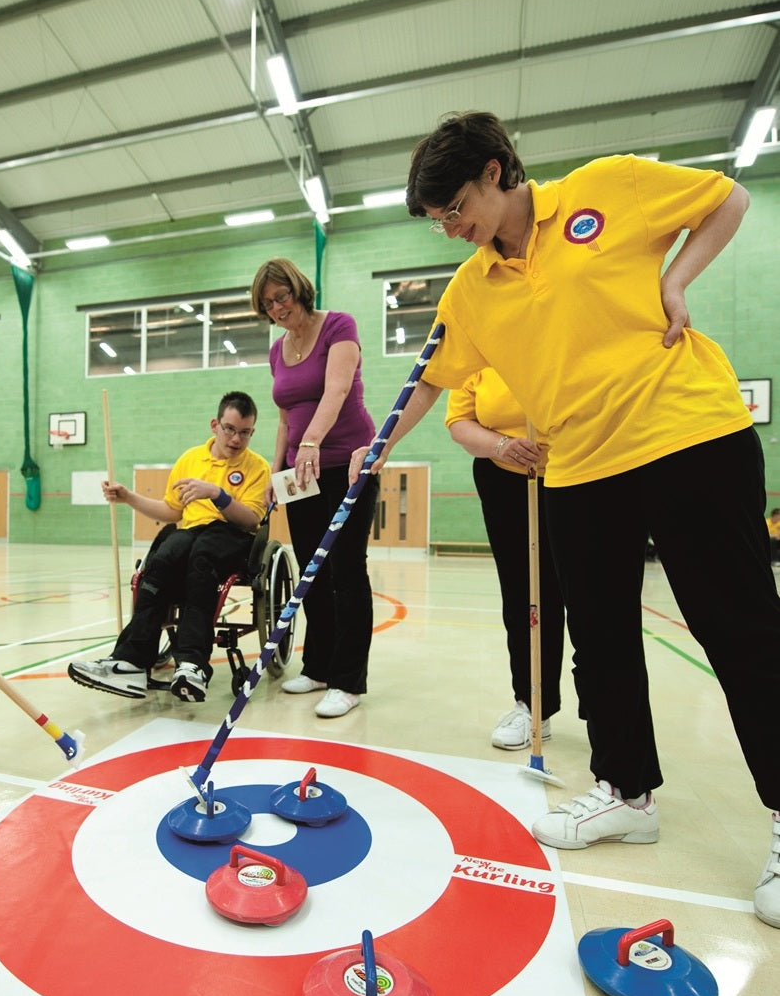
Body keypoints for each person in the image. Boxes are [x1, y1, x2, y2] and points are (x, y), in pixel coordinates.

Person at [353, 110, 780, 928]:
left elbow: (724, 199)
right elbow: (430, 381)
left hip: (686, 432)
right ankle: (625, 790)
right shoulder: (470, 287)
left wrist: (675, 278)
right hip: (578, 467)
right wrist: (372, 446)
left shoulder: (606, 186)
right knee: (601, 637)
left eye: (454, 209)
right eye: (438, 221)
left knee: (739, 629)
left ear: (493, 170)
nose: (451, 230)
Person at [69, 391, 269, 702]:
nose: (236, 439)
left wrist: (217, 493)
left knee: (201, 561)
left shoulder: (257, 467)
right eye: (229, 429)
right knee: (161, 562)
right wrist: (129, 498)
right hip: (190, 531)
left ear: (252, 432)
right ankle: (131, 663)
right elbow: (171, 512)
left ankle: (192, 664)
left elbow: (251, 519)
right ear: (215, 424)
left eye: (245, 432)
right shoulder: (190, 459)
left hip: (231, 535)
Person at [251, 258, 379, 719]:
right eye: (267, 304)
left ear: (299, 289)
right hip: (298, 475)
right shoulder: (276, 351)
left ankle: (348, 681)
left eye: (281, 296)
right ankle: (319, 666)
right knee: (312, 572)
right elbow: (285, 416)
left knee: (346, 571)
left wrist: (312, 442)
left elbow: (338, 389)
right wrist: (274, 466)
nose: (277, 308)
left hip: (346, 465)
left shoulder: (338, 326)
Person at [446, 368, 566, 749]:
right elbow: (459, 421)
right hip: (504, 475)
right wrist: (502, 446)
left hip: (576, 470)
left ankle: (605, 709)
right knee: (524, 594)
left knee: (587, 592)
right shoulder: (478, 359)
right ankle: (533, 705)